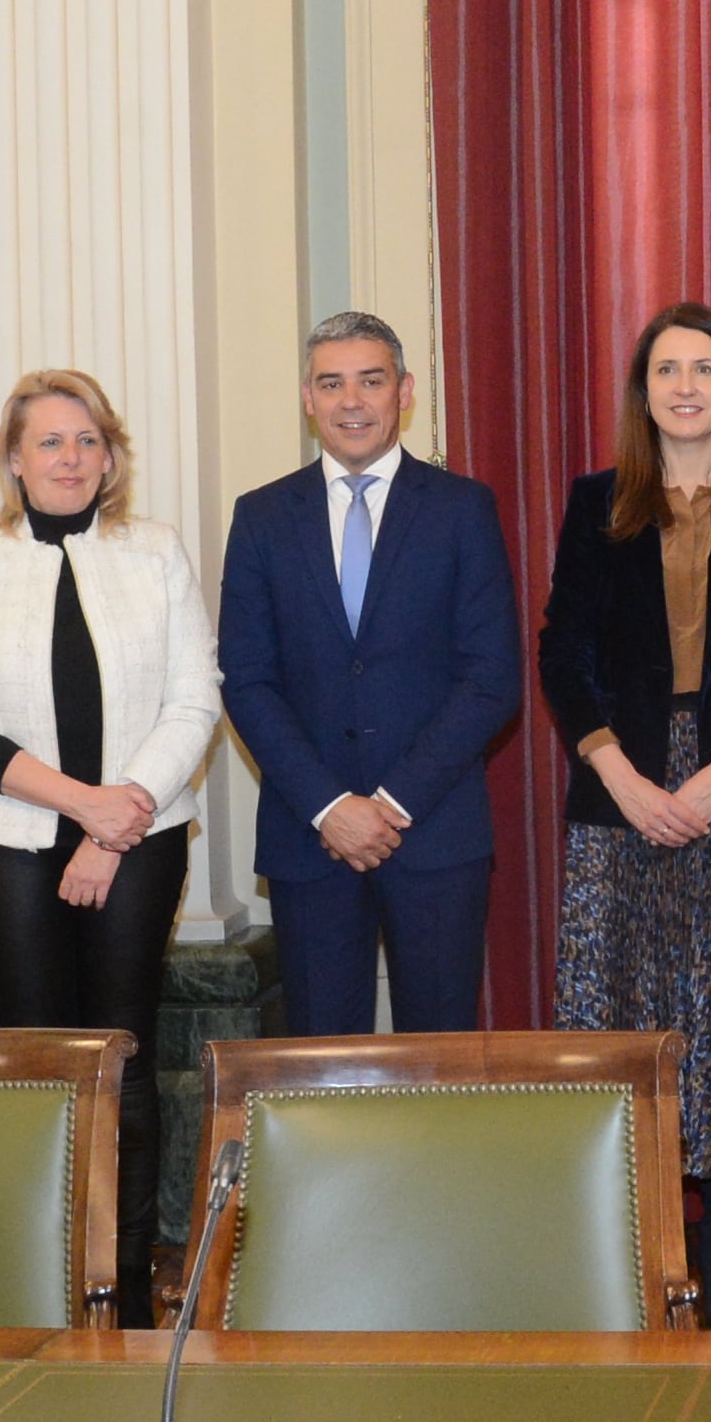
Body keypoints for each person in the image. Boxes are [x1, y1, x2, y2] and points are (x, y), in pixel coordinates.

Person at [537, 304, 711, 1331]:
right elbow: (561, 649)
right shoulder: (594, 501)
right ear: (642, 388)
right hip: (621, 788)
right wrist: (615, 768)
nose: (687, 385)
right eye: (667, 368)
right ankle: (627, 1240)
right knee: (628, 1011)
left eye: (705, 367)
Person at [0, 369, 220, 1320]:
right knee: (40, 1065)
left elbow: (194, 700)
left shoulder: (155, 553)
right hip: (7, 842)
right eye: (50, 442)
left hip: (141, 835)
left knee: (121, 1056)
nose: (71, 459)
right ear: (13, 458)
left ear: (110, 455)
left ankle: (125, 1294)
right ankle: (45, 1288)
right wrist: (78, 806)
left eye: (88, 441)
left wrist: (117, 814)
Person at [219, 311, 519, 1035]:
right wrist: (332, 807)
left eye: (370, 381)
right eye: (332, 383)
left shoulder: (462, 509)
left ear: (404, 391)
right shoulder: (260, 517)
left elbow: (491, 677)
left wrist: (388, 803)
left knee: (438, 1063)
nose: (351, 401)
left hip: (435, 832)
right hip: (309, 837)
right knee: (322, 1069)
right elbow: (247, 679)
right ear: (307, 398)